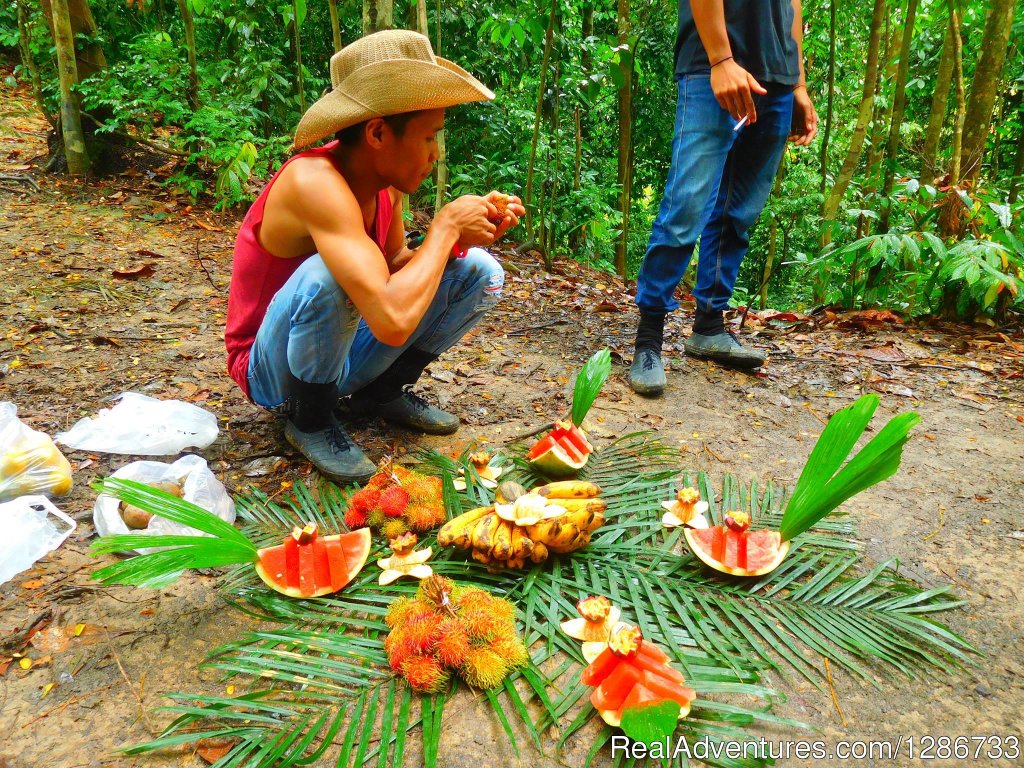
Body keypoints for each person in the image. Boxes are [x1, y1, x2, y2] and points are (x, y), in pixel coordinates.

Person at [225, 30, 524, 483]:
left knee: (476, 271)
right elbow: (390, 320)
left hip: (338, 353)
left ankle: (380, 392)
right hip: (272, 372)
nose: (434, 154)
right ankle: (310, 420)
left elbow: (396, 265)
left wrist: (462, 239)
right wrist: (443, 229)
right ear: (378, 132)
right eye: (429, 138)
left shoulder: (384, 188)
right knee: (329, 274)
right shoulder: (314, 182)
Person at [629, 0, 817, 395]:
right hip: (712, 67)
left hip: (778, 79)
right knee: (686, 206)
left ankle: (709, 327)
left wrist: (797, 82)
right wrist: (720, 59)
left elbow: (793, 6)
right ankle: (648, 341)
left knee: (739, 210)